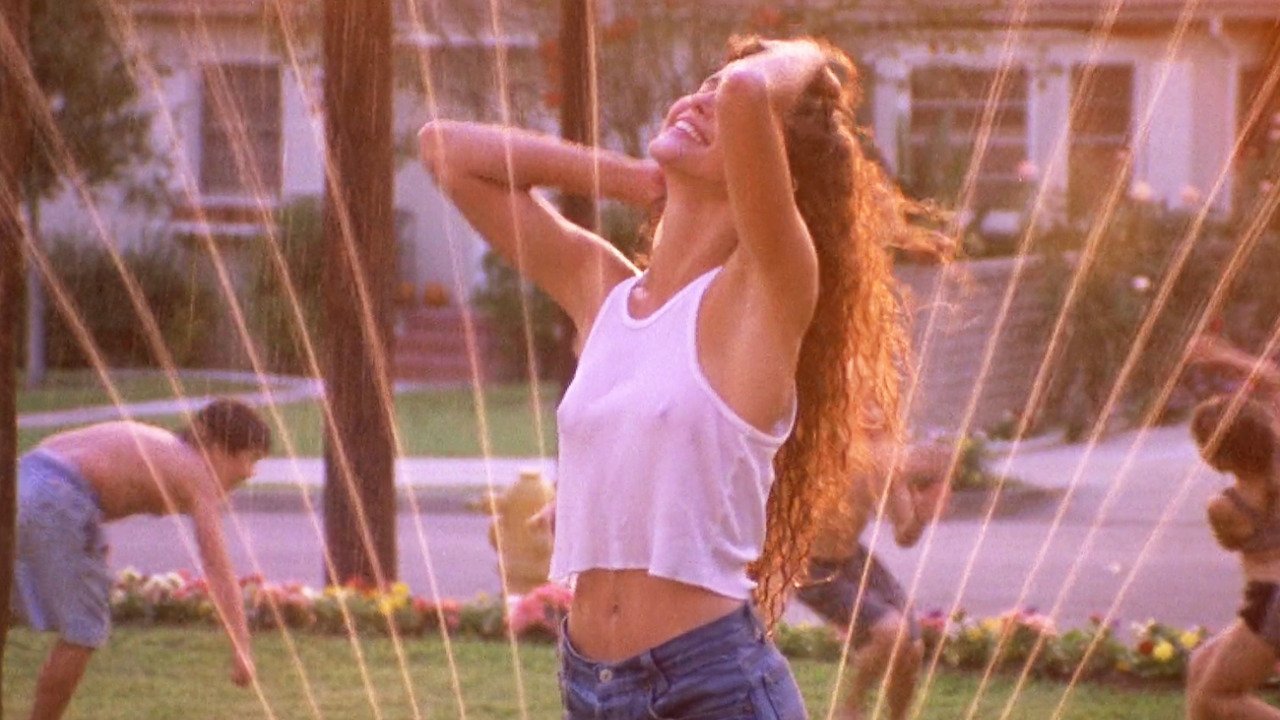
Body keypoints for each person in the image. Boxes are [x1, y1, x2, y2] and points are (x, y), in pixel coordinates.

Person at [421, 34, 932, 720]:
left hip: (709, 688)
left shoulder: (766, 291)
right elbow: (446, 151)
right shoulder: (603, 291)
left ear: (771, 166)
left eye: (726, 101)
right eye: (702, 85)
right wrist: (635, 178)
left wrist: (810, 56)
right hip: (591, 685)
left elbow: (750, 91)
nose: (704, 98)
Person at [13, 399, 271, 720]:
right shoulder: (197, 474)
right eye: (251, 458)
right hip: (58, 494)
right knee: (84, 629)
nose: (251, 473)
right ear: (217, 448)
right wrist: (242, 648)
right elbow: (217, 567)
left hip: (21, 477)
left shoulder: (166, 448)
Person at [796, 443, 951, 720]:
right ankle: (849, 710)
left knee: (913, 648)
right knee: (890, 632)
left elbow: (905, 536)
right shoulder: (828, 438)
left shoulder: (887, 457)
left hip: (853, 559)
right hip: (810, 566)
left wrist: (920, 516)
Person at [1185, 395, 1280, 719]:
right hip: (1271, 601)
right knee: (1201, 665)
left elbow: (1229, 543)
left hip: (1271, 600)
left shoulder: (1224, 506)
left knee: (1218, 696)